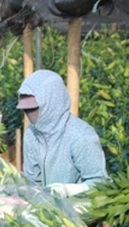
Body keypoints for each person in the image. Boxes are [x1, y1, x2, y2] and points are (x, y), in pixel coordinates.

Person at [16, 69, 108, 197]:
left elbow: (100, 183)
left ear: (52, 102)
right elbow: (32, 181)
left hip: (78, 210)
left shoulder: (81, 136)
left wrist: (68, 190)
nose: (29, 114)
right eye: (25, 109)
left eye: (33, 108)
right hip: (46, 208)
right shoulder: (31, 135)